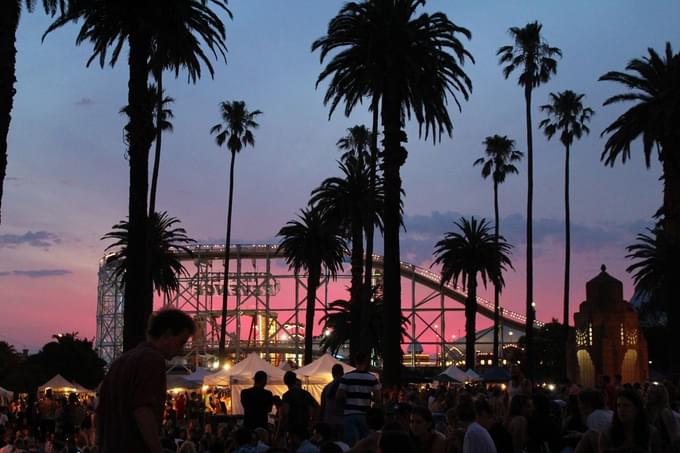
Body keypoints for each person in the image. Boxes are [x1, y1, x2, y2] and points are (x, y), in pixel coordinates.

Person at [96, 308, 195, 453]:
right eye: (181, 342)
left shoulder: (119, 362)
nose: (182, 350)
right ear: (167, 334)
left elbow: (100, 412)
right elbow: (143, 410)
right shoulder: (152, 360)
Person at [337, 352, 381, 447]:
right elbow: (378, 398)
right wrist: (367, 396)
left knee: (351, 444)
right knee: (365, 443)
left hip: (349, 414)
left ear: (355, 361)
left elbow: (339, 395)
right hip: (365, 415)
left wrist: (349, 395)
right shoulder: (372, 378)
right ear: (366, 362)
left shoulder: (346, 377)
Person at [277, 371, 319, 444]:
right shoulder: (306, 394)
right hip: (305, 427)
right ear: (295, 380)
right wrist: (312, 421)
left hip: (292, 429)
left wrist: (279, 432)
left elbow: (285, 414)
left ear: (285, 382)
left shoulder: (287, 395)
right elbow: (317, 407)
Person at [321, 364, 345, 440]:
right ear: (343, 373)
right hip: (343, 421)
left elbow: (323, 406)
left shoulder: (326, 388)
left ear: (332, 373)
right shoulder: (346, 387)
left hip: (329, 420)